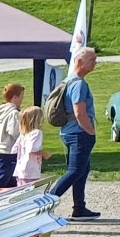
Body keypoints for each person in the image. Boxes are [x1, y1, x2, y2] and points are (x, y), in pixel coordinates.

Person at [49, 47, 100, 218]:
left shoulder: (68, 81)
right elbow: (80, 113)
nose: (95, 62)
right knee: (75, 170)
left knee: (81, 170)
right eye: (92, 59)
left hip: (69, 132)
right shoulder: (79, 84)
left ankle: (79, 208)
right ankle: (46, 203)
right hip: (78, 133)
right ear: (80, 62)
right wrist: (90, 131)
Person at [0, 82, 25, 187]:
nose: (22, 99)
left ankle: (8, 199)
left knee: (10, 181)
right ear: (15, 97)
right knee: (0, 181)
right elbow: (15, 132)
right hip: (6, 150)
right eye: (21, 96)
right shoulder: (13, 113)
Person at [12, 106, 48, 188]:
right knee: (30, 192)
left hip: (20, 169)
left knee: (21, 190)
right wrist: (44, 153)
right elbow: (33, 149)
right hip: (31, 170)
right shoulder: (37, 133)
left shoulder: (23, 135)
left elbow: (14, 149)